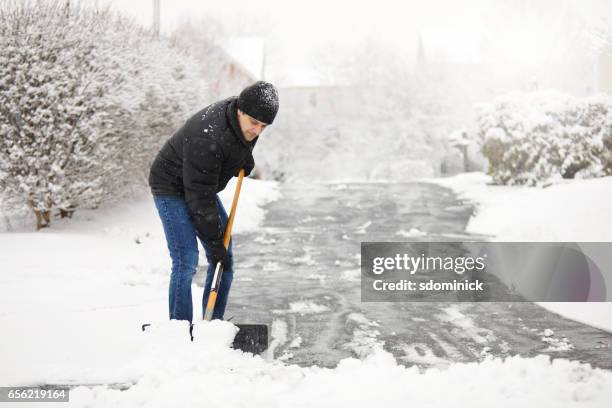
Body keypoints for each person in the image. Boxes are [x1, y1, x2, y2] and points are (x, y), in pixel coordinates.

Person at [148, 81, 279, 322]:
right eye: (254, 123)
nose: (257, 131)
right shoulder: (207, 134)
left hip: (199, 186)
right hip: (171, 186)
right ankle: (179, 327)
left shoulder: (243, 121)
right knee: (186, 259)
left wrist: (242, 158)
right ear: (240, 110)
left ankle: (212, 325)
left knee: (224, 259)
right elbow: (199, 196)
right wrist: (214, 240)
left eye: (264, 126)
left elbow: (233, 147)